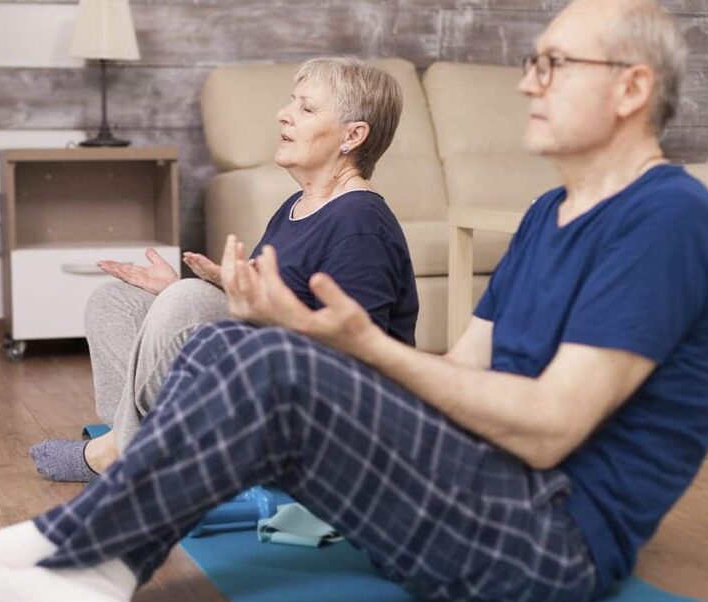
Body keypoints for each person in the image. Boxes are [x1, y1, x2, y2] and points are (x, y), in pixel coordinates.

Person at [0, 1, 708, 602]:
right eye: (531, 63)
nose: (526, 83)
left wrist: (351, 346)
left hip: (547, 540)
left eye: (554, 64)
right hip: (479, 489)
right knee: (232, 340)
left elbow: (549, 431)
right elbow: (466, 377)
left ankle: (36, 551)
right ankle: (94, 578)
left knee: (259, 357)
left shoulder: (668, 219)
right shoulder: (551, 215)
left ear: (632, 88)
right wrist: (305, 336)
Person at [30, 56, 418, 482]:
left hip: (323, 420)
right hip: (264, 379)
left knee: (189, 299)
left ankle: (125, 450)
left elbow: (361, 356)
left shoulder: (361, 222)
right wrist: (201, 291)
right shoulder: (296, 206)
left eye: (306, 109)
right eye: (291, 102)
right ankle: (149, 445)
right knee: (115, 301)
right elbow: (255, 314)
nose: (283, 114)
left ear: (353, 136)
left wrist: (217, 301)